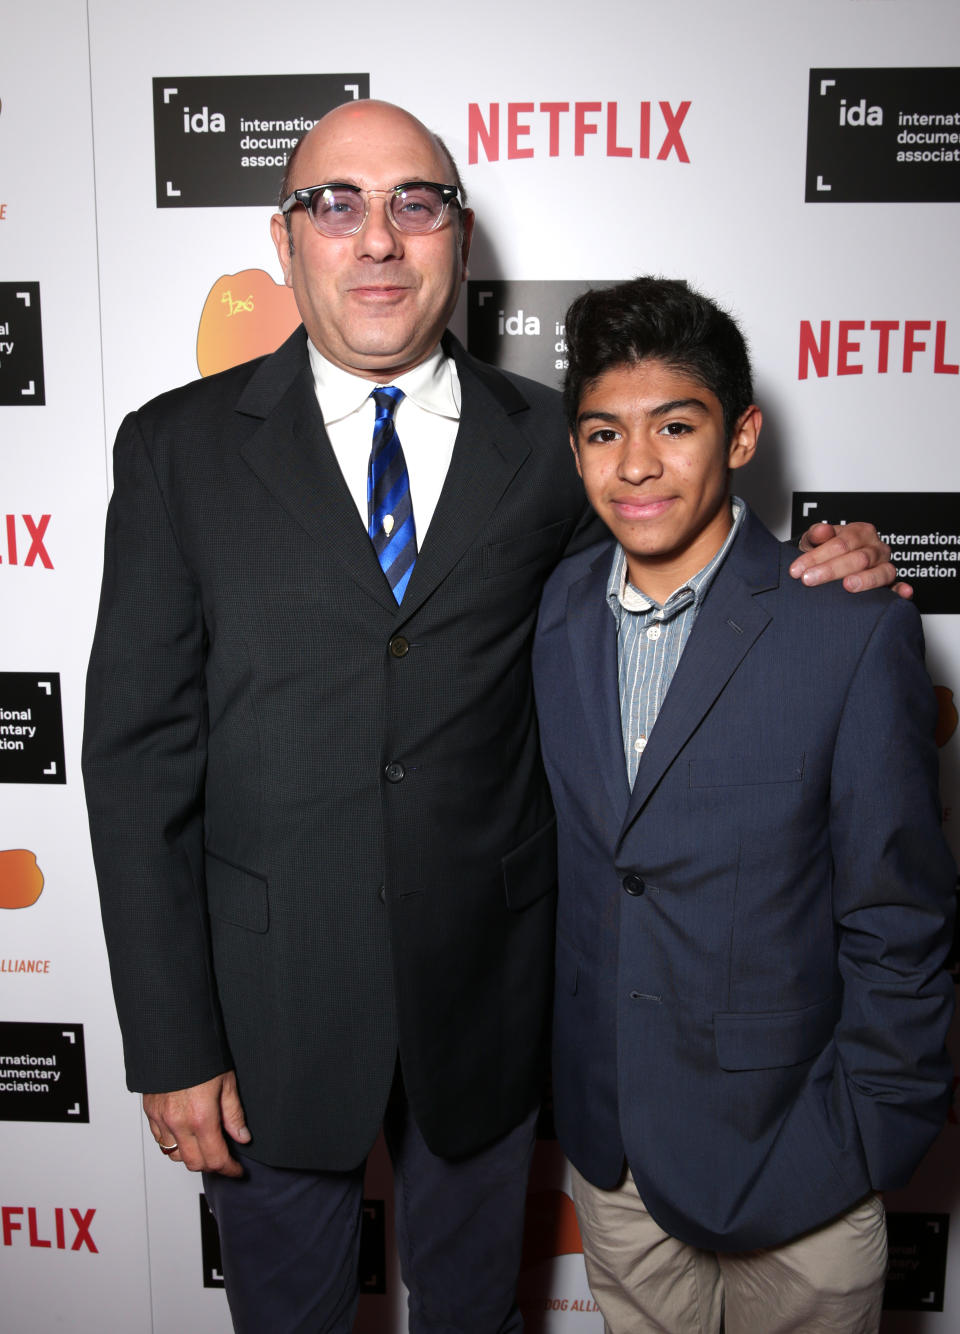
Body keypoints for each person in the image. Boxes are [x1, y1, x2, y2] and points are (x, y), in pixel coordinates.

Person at [82, 101, 901, 1334]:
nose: (375, 240)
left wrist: (822, 560)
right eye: (336, 205)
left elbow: (678, 553)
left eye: (414, 203)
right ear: (285, 237)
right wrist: (169, 1040)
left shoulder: (552, 445)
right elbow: (136, 760)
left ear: (457, 236)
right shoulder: (172, 451)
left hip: (492, 1010)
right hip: (269, 1016)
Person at [532, 276, 956, 1334]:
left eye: (675, 425)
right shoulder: (555, 609)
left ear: (741, 434)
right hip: (618, 1162)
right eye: (601, 432)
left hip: (800, 1163)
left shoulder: (847, 629)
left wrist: (865, 1139)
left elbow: (900, 914)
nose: (635, 463)